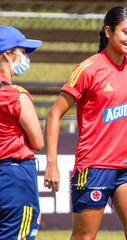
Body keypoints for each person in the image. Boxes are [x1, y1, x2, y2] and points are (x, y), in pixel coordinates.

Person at [44, 6, 127, 240]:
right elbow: (54, 114)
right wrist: (51, 163)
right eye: (126, 32)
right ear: (108, 31)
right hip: (94, 167)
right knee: (85, 237)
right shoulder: (88, 69)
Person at [0, 26, 43, 239]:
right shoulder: (15, 95)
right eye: (22, 51)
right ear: (7, 54)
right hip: (14, 176)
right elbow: (38, 141)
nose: (24, 57)